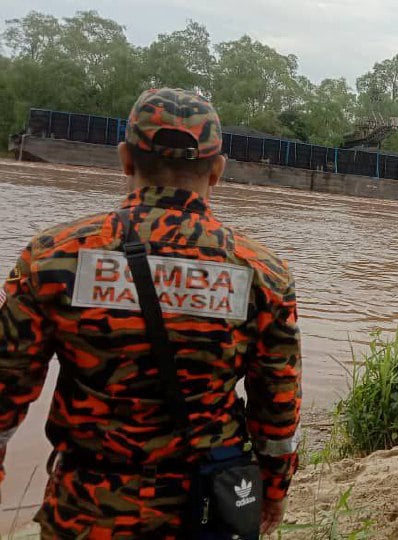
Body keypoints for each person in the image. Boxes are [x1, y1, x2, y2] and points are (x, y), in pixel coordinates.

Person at [0, 88, 302, 537]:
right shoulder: (262, 273)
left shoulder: (53, 257)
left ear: (124, 159)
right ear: (217, 171)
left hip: (86, 511)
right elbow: (276, 411)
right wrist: (273, 492)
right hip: (206, 509)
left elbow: (6, 391)